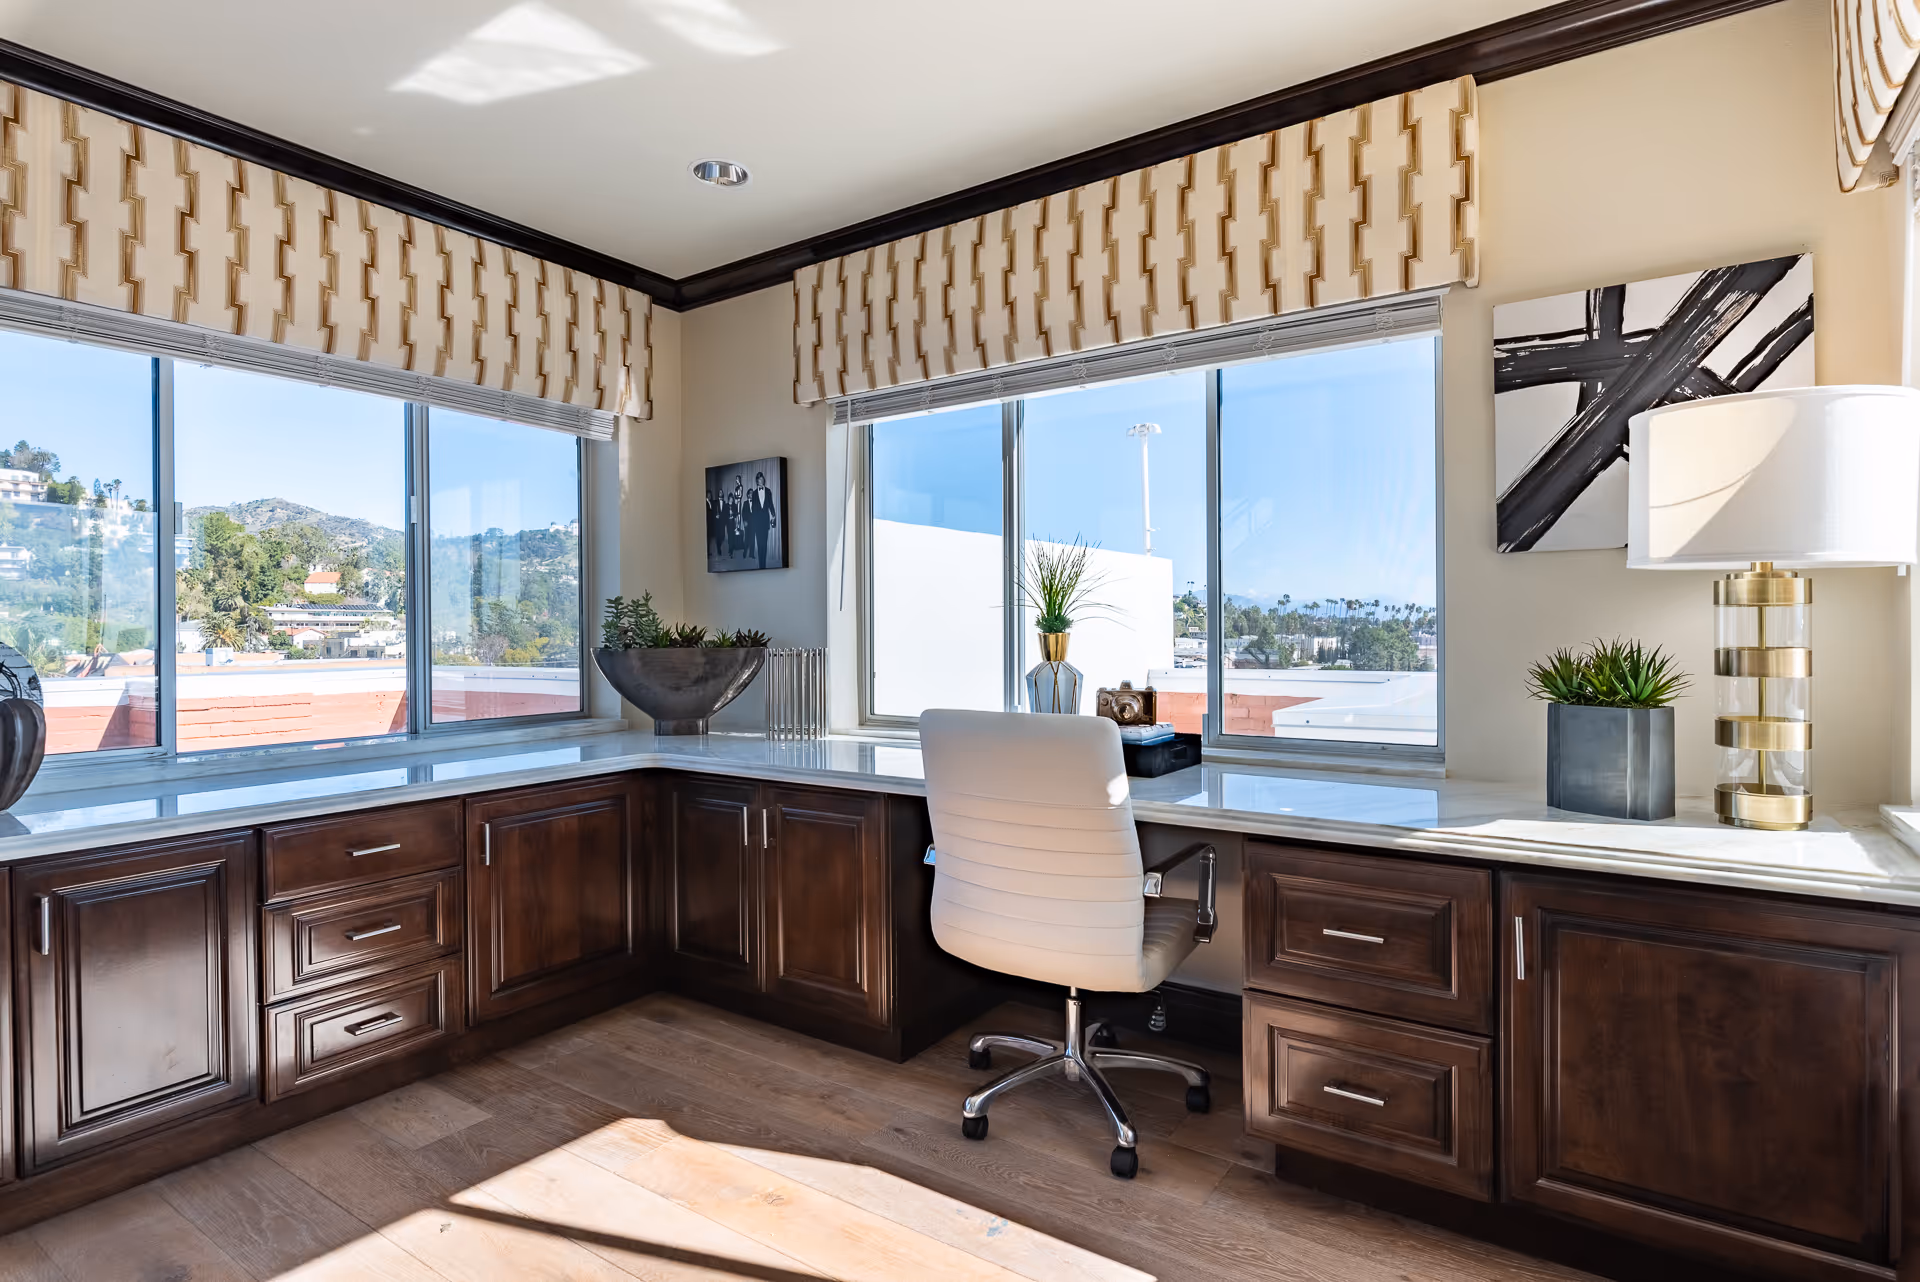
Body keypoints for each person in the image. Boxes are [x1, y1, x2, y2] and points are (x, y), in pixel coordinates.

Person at [746, 469, 779, 569]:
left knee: (764, 544)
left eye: (762, 478)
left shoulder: (768, 491)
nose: (761, 480)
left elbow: (771, 505)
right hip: (757, 524)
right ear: (757, 481)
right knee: (760, 545)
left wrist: (773, 515)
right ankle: (761, 565)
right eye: (759, 479)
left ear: (763, 480)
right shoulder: (754, 493)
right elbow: (753, 510)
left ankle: (763, 564)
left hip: (765, 523)